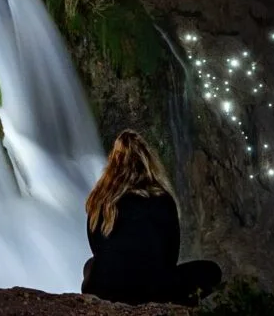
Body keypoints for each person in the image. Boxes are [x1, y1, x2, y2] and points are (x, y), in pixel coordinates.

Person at [81, 129, 221, 306]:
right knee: (212, 271)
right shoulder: (162, 199)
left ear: (112, 163)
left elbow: (97, 248)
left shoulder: (100, 200)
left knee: (90, 265)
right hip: (153, 290)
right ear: (148, 162)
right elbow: (171, 255)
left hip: (106, 288)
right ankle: (177, 308)